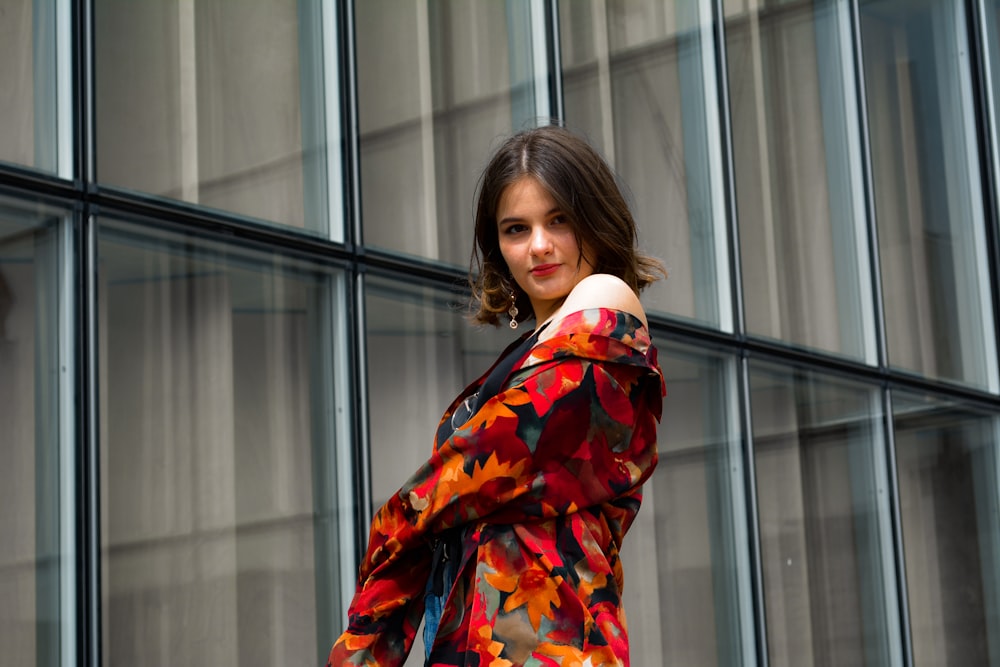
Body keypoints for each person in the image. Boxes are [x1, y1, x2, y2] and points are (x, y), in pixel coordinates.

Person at [327, 125, 666, 667]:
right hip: (468, 635)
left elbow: (496, 451)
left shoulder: (606, 301)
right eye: (516, 228)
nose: (538, 245)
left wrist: (400, 520)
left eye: (559, 219)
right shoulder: (525, 352)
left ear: (594, 221)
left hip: (553, 640)